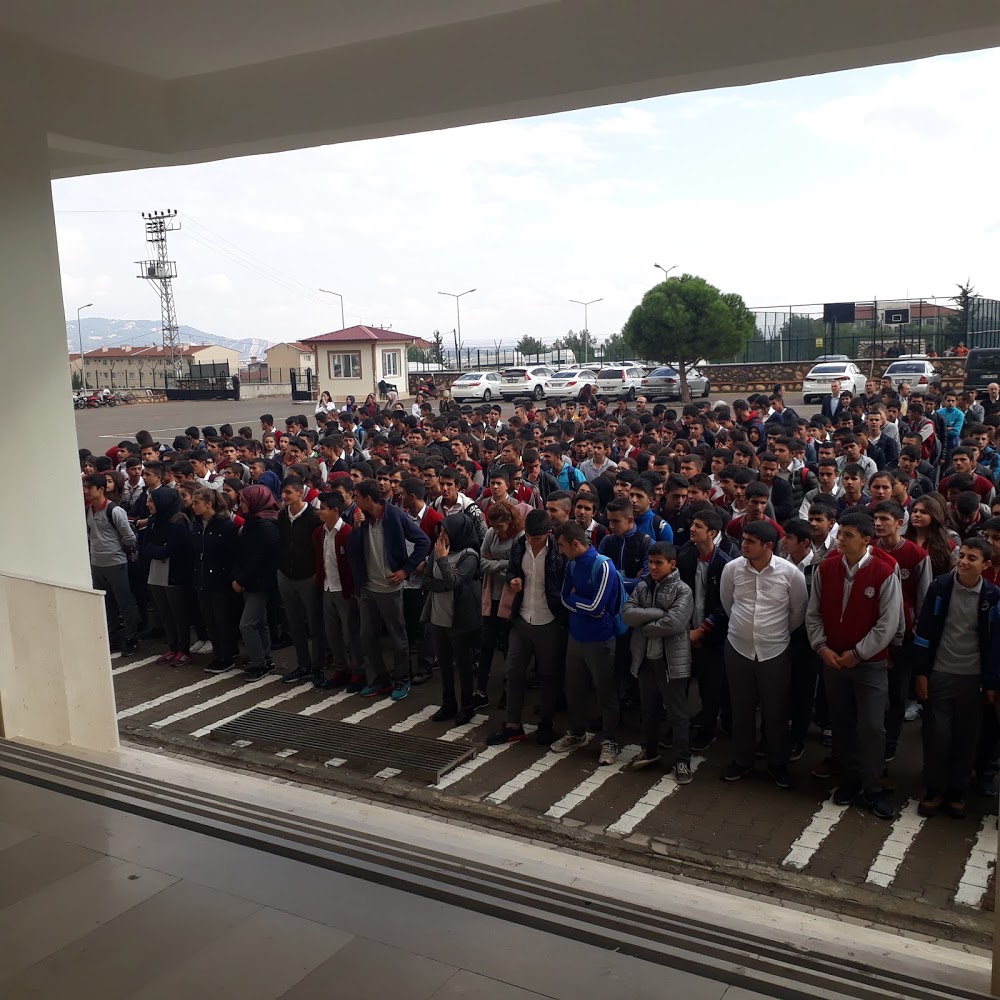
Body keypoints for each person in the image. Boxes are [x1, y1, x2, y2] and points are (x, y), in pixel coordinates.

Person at [806, 512, 903, 820]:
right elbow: (814, 613)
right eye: (840, 534)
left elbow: (888, 624)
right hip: (832, 661)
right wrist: (822, 647)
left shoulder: (885, 572)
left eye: (847, 535)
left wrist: (858, 654)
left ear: (866, 540)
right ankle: (848, 780)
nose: (840, 540)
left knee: (873, 727)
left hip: (870, 665)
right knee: (842, 724)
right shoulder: (826, 568)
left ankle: (872, 788)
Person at [914, 537, 1000, 818]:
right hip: (940, 673)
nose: (963, 561)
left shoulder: (992, 597)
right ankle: (934, 789)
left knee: (966, 738)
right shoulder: (940, 587)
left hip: (972, 679)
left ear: (985, 565)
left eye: (971, 558)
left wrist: (989, 682)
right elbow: (924, 632)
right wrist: (922, 673)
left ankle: (957, 791)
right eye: (961, 555)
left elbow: (994, 644)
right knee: (938, 735)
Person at [719, 521, 807, 787]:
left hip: (774, 651)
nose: (743, 545)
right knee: (742, 709)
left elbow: (797, 613)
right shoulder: (732, 569)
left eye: (750, 541)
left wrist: (771, 633)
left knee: (776, 712)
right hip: (738, 648)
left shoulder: (791, 575)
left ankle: (777, 763)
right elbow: (728, 603)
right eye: (743, 539)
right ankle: (743, 760)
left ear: (768, 546)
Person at [486, 510, 567, 746]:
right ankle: (512, 725)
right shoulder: (521, 544)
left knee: (549, 676)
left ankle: (546, 725)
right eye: (529, 536)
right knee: (513, 673)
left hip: (549, 621)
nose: (531, 541)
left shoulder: (558, 551)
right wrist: (513, 579)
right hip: (522, 619)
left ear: (548, 533)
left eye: (536, 538)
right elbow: (512, 568)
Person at [347, 478, 431, 701]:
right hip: (367, 587)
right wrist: (355, 528)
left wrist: (406, 570)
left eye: (356, 496)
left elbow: (423, 541)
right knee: (367, 635)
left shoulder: (394, 515)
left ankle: (402, 678)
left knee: (397, 636)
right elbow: (352, 552)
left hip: (390, 588)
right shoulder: (360, 518)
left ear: (368, 498)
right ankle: (379, 679)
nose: (354, 501)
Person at [550, 521, 623, 765]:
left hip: (600, 640)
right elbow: (564, 598)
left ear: (575, 543)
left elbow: (598, 607)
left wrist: (576, 603)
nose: (560, 551)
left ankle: (610, 741)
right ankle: (577, 732)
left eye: (562, 546)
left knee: (605, 693)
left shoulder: (602, 566)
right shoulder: (572, 564)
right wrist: (581, 605)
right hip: (576, 637)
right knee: (574, 689)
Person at [623, 542, 695, 781]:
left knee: (677, 713)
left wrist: (644, 626)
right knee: (649, 709)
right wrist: (657, 614)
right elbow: (627, 613)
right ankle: (649, 750)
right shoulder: (643, 587)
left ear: (672, 564)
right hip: (645, 660)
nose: (652, 567)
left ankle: (682, 760)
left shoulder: (683, 590)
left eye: (658, 563)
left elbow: (675, 623)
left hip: (671, 662)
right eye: (650, 562)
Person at [676, 507, 732, 751]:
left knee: (710, 687)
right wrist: (688, 629)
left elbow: (726, 604)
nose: (692, 529)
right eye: (692, 524)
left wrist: (702, 630)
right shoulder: (685, 557)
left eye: (698, 526)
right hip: (685, 632)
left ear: (712, 533)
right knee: (681, 683)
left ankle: (707, 730)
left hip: (713, 637)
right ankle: (679, 727)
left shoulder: (725, 564)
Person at [422, 514, 482, 725]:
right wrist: (444, 582)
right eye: (440, 531)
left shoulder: (470, 555)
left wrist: (442, 560)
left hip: (459, 618)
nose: (441, 536)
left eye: (445, 531)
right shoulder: (437, 550)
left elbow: (455, 581)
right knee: (445, 665)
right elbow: (427, 581)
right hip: (438, 615)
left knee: (463, 665)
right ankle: (448, 704)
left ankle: (467, 706)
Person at [275, 477, 325, 685]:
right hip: (287, 576)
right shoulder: (282, 516)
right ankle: (303, 664)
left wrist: (317, 573)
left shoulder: (313, 517)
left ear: (299, 493)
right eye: (283, 493)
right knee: (295, 623)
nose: (285, 497)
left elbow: (322, 547)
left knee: (315, 624)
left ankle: (318, 666)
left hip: (308, 578)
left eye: (288, 492)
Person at [83, 471, 140, 656]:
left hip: (116, 563)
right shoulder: (89, 510)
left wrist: (119, 551)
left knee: (125, 602)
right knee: (107, 604)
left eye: (89, 488)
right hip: (97, 563)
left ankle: (131, 638)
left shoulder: (114, 511)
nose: (86, 491)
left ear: (101, 489)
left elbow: (129, 537)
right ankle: (113, 637)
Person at [232, 485, 281, 678]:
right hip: (250, 580)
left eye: (244, 501)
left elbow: (259, 558)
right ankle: (265, 658)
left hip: (260, 583)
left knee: (247, 624)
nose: (241, 505)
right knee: (259, 622)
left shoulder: (267, 526)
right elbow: (242, 552)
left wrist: (242, 578)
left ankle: (259, 663)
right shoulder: (253, 522)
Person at [478, 502, 523, 710]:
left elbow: (517, 568)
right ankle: (480, 689)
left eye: (501, 527)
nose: (497, 530)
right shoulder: (490, 534)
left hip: (510, 599)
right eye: (494, 526)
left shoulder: (520, 538)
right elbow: (481, 562)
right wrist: (503, 565)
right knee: (486, 643)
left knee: (508, 647)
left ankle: (509, 689)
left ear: (510, 522)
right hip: (491, 595)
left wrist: (495, 565)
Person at [142, 485, 194, 666]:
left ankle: (184, 649)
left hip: (174, 575)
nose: (148, 504)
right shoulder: (154, 520)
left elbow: (169, 550)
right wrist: (157, 549)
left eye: (151, 501)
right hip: (156, 574)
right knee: (164, 613)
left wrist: (156, 549)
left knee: (178, 614)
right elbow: (145, 545)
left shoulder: (178, 522)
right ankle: (172, 647)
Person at [190, 487, 239, 673]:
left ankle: (226, 656)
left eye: (197, 503)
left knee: (222, 620)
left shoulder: (224, 525)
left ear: (209, 504)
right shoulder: (196, 524)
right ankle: (218, 654)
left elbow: (233, 553)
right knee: (209, 619)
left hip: (220, 579)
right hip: (201, 578)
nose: (193, 506)